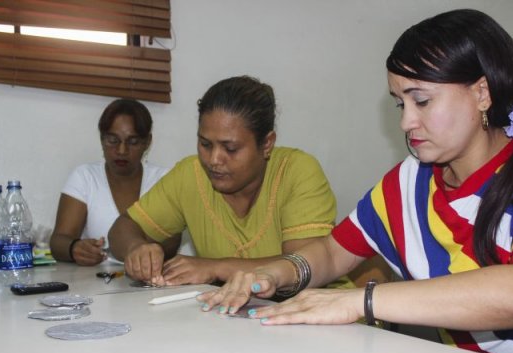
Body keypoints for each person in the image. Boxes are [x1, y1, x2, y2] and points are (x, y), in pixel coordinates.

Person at [199, 10, 513, 353]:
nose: (406, 122)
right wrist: (275, 274)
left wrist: (360, 301)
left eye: (422, 101)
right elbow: (334, 253)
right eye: (401, 103)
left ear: (482, 92)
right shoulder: (410, 182)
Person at [109, 75, 354, 289]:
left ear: (267, 144)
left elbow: (303, 266)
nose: (214, 159)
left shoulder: (297, 172)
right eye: (205, 144)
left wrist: (215, 268)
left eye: (231, 148)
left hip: (324, 323)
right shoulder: (190, 175)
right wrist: (135, 248)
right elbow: (123, 228)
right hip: (242, 325)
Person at [50, 98, 175, 266]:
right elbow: (58, 241)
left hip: (150, 283)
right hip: (95, 283)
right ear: (102, 139)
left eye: (133, 142)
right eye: (113, 140)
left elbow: (172, 242)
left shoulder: (164, 180)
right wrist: (74, 248)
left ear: (147, 142)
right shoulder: (85, 177)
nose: (122, 150)